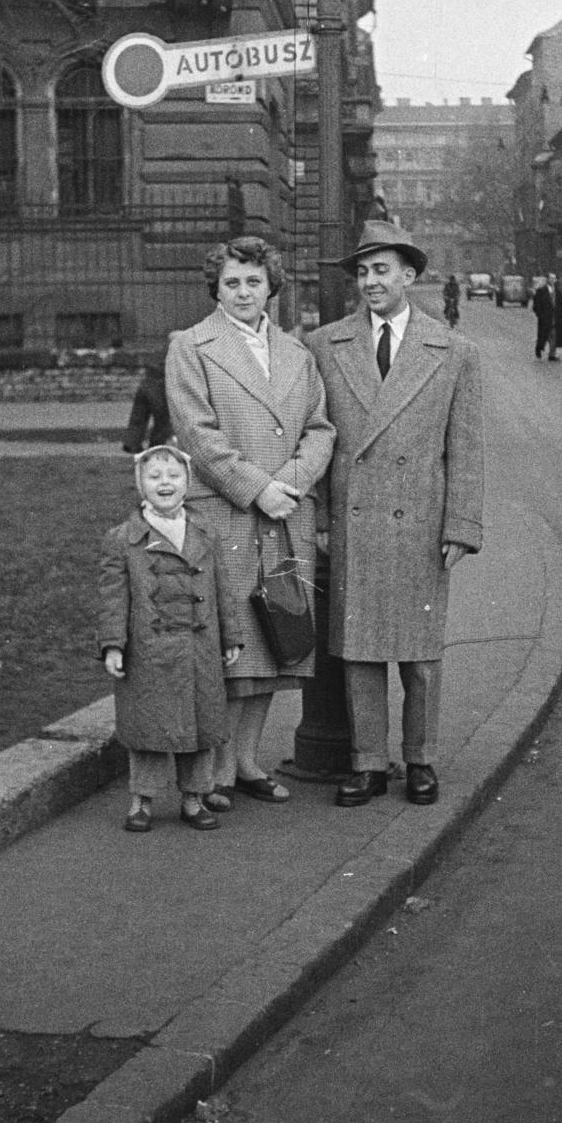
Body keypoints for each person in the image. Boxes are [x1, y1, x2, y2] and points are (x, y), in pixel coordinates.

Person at [308, 220, 484, 808]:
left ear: (409, 275)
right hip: (354, 519)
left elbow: (464, 447)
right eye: (361, 272)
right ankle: (367, 763)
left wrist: (461, 524)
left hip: (421, 519)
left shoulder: (454, 351)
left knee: (419, 655)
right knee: (359, 651)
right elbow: (318, 438)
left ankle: (421, 759)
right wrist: (323, 519)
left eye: (381, 270)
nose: (369, 281)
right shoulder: (326, 344)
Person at [165, 236, 335, 807]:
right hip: (228, 514)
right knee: (229, 648)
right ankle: (211, 771)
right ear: (215, 287)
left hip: (286, 512)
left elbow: (321, 429)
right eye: (232, 282)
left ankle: (245, 762)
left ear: (271, 287)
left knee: (276, 643)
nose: (243, 292)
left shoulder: (296, 352)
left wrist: (292, 482)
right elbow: (196, 435)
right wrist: (259, 488)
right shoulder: (191, 347)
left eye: (253, 282)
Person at [98, 444, 243, 834]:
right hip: (149, 649)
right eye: (154, 477)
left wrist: (231, 636)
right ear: (140, 485)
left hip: (199, 648)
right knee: (148, 724)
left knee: (198, 723)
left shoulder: (205, 533)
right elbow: (113, 598)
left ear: (188, 483)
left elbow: (222, 589)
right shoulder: (123, 539)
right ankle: (141, 799)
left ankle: (193, 797)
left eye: (174, 476)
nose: (165, 484)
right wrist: (114, 643)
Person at [121, 361, 172, 454]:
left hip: (148, 382)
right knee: (163, 419)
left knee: (139, 415)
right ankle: (156, 447)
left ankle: (132, 442)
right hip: (161, 384)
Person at [532, 272, 562, 361]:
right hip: (545, 318)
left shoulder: (558, 292)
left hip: (555, 318)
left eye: (554, 278)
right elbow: (536, 306)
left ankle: (552, 354)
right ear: (547, 279)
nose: (552, 280)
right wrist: (540, 315)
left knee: (554, 335)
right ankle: (538, 348)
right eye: (551, 278)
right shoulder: (541, 291)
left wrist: (561, 315)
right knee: (543, 336)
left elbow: (561, 305)